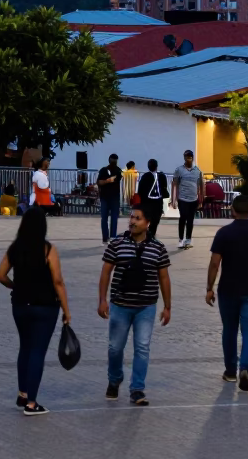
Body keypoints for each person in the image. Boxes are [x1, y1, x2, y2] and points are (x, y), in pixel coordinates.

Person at [0, 203, 71, 415]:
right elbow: (58, 281)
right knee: (38, 351)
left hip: (20, 305)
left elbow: (0, 275)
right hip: (45, 307)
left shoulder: (15, 248)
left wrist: (15, 286)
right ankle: (32, 403)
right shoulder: (48, 250)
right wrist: (66, 310)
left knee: (25, 348)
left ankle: (22, 393)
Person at [99, 205, 171, 406]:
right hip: (120, 305)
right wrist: (102, 300)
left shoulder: (158, 247)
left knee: (142, 347)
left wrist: (168, 306)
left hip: (145, 307)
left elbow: (164, 277)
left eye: (137, 218)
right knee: (115, 348)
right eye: (131, 217)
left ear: (147, 223)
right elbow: (106, 272)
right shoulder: (117, 244)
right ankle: (114, 380)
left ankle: (137, 389)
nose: (132, 221)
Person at [205, 193, 248, 391]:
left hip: (228, 291)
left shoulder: (223, 233)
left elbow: (215, 263)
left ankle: (230, 372)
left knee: (230, 330)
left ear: (233, 211)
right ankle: (246, 368)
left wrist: (209, 288)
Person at [171, 149, 204, 249]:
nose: (188, 159)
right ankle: (181, 240)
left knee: (190, 220)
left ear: (192, 158)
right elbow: (174, 184)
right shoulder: (179, 170)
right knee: (183, 218)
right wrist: (173, 199)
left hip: (193, 199)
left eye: (190, 157)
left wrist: (201, 199)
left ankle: (188, 240)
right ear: (184, 158)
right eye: (186, 157)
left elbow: (201, 186)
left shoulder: (197, 171)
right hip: (182, 199)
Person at [137, 160, 169, 238]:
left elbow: (140, 190)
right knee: (149, 219)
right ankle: (148, 235)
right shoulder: (147, 176)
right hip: (149, 201)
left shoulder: (160, 176)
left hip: (157, 201)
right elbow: (140, 190)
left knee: (155, 220)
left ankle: (151, 235)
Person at [97, 153, 123, 243]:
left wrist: (108, 180)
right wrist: (108, 180)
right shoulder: (103, 170)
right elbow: (99, 182)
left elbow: (117, 179)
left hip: (114, 197)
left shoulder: (118, 171)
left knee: (114, 218)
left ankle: (112, 237)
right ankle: (105, 237)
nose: (114, 162)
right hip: (105, 197)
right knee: (104, 218)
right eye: (113, 160)